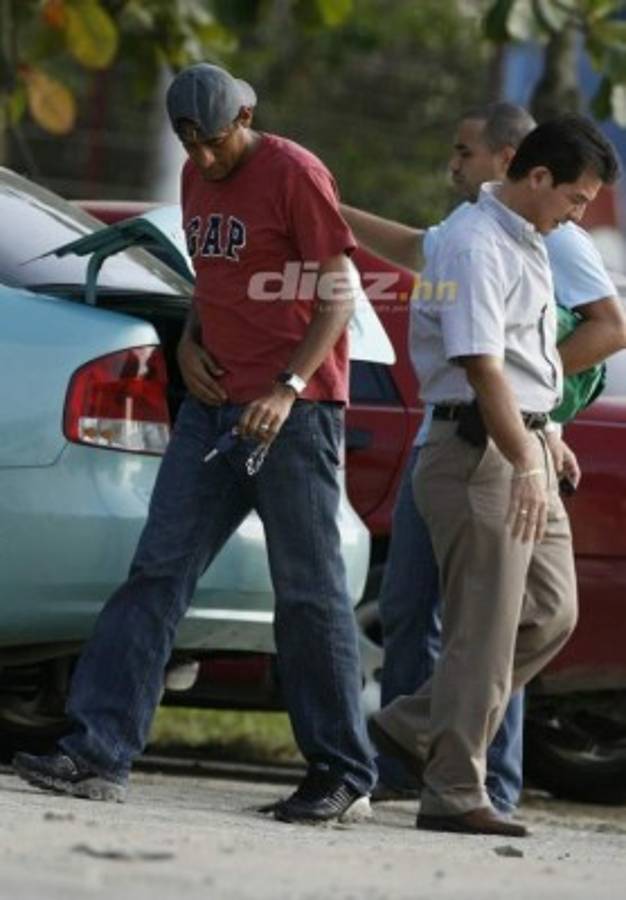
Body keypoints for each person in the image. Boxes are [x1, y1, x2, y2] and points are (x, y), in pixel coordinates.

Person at [13, 63, 377, 825]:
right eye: (191, 144)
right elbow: (212, 280)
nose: (205, 158)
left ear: (245, 114)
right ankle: (97, 752)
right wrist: (188, 350)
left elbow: (339, 288)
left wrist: (287, 385)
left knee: (308, 598)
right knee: (156, 575)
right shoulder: (194, 176)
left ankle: (343, 774)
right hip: (214, 414)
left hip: (294, 417)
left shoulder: (293, 172)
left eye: (215, 141)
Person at [342, 104, 626, 814]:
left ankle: (408, 725)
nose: (581, 215)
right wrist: (525, 451)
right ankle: (455, 788)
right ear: (534, 174)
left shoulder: (533, 235)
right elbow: (482, 365)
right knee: (483, 627)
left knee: (551, 614)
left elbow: (545, 354)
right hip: (481, 449)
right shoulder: (475, 243)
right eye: (576, 199)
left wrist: (546, 426)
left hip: (524, 442)